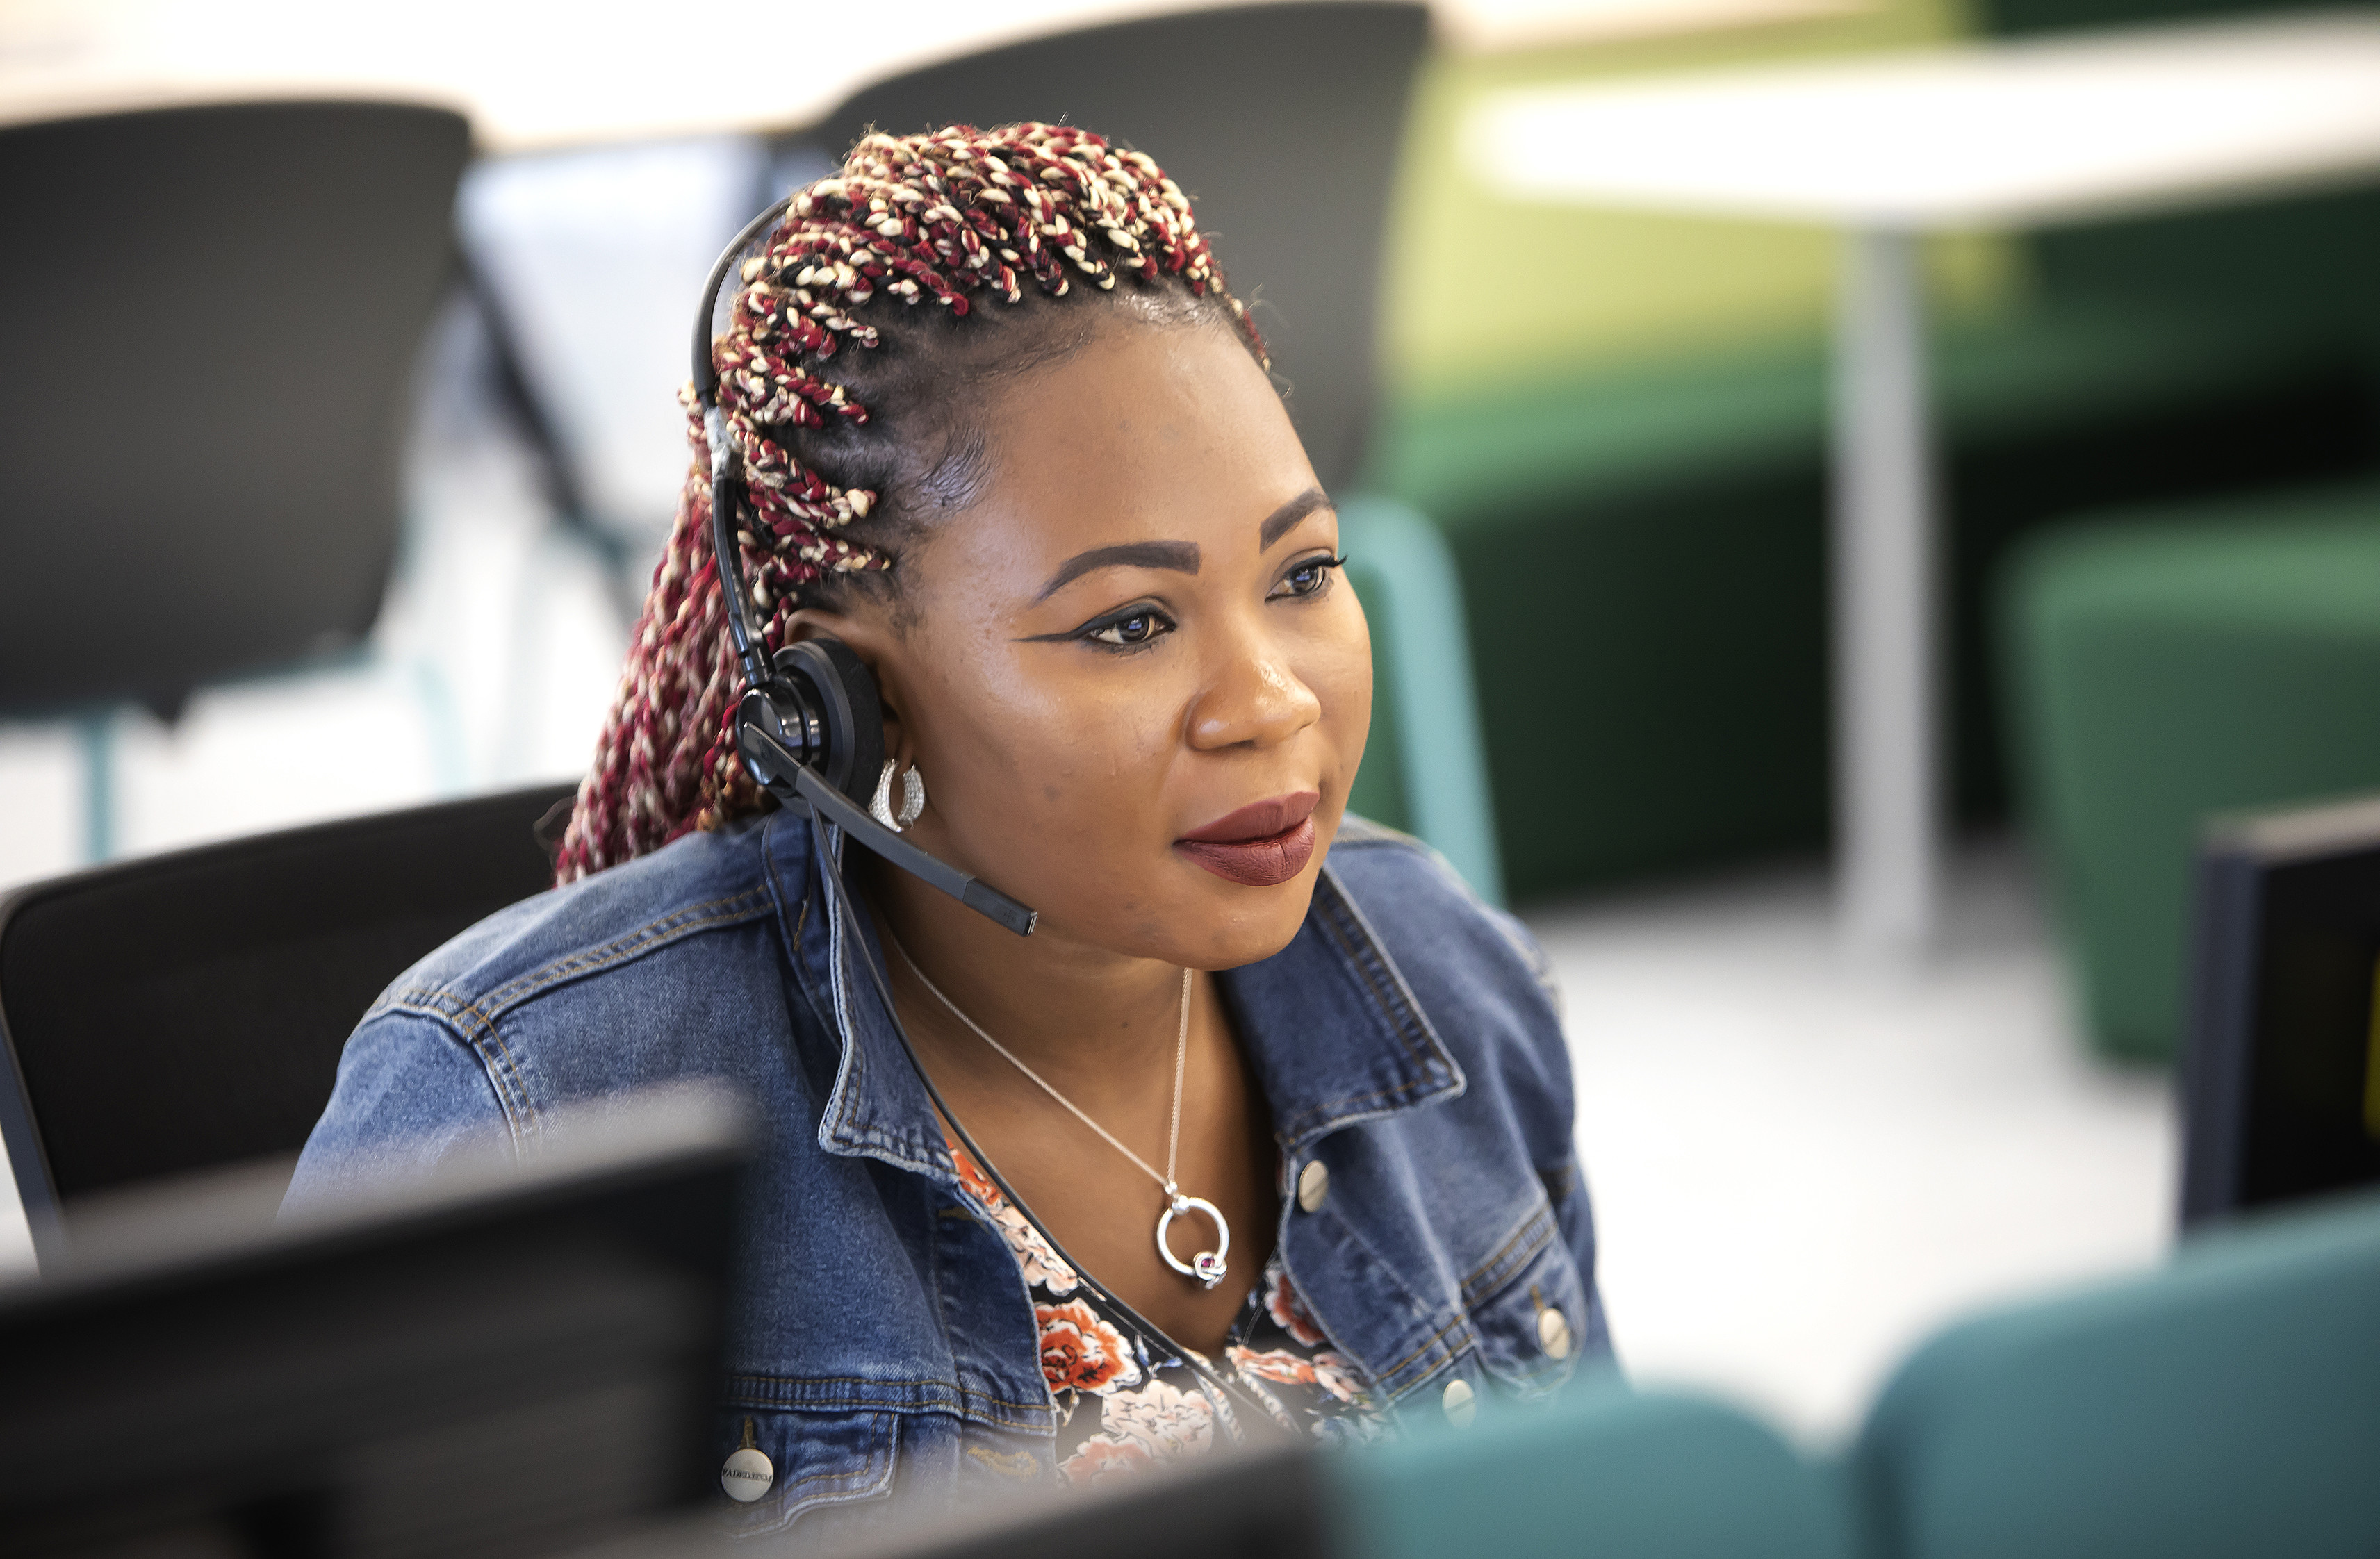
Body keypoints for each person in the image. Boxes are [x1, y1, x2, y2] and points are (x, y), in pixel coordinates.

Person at [289, 122, 1609, 1537]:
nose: (1270, 702)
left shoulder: (1439, 973)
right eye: (1132, 623)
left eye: (1305, 574)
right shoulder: (529, 1112)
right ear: (843, 702)